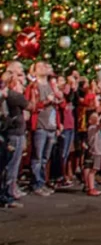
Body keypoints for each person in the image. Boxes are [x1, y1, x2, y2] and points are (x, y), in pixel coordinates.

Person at [27, 61, 57, 195]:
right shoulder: (33, 87)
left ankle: (42, 182)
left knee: (45, 158)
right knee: (37, 157)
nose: (44, 67)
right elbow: (30, 106)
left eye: (45, 65)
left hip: (51, 125)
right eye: (40, 67)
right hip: (40, 125)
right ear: (34, 72)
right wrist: (46, 102)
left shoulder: (51, 85)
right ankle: (36, 184)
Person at [3, 66, 29, 204]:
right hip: (14, 134)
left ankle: (10, 191)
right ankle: (8, 195)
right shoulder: (14, 96)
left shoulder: (11, 95)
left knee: (13, 165)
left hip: (17, 132)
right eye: (19, 80)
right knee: (11, 166)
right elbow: (30, 105)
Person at [82, 90, 101, 197]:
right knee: (93, 170)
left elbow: (100, 121)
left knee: (92, 169)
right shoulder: (93, 128)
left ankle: (90, 186)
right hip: (95, 151)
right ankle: (91, 187)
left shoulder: (93, 127)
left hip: (97, 151)